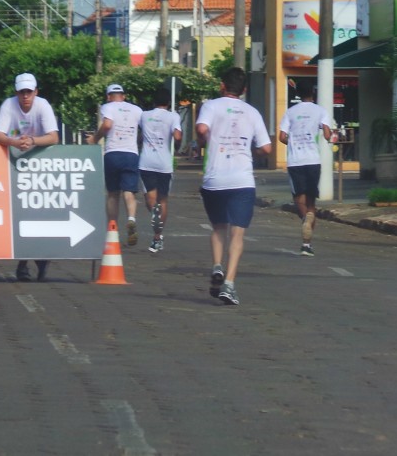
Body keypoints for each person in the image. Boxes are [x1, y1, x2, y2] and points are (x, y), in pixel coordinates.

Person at [195, 67, 272, 306]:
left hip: (215, 179)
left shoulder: (210, 106)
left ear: (221, 86)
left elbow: (201, 128)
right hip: (242, 180)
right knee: (238, 233)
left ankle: (217, 265)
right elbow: (267, 148)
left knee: (218, 227)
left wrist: (204, 140)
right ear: (244, 90)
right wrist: (252, 150)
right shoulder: (252, 112)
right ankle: (229, 283)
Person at [0, 73, 60, 282]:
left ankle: (34, 259)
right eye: (22, 92)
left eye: (29, 92)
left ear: (36, 92)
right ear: (16, 93)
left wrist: (31, 140)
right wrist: (14, 142)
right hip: (15, 164)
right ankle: (26, 261)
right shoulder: (8, 105)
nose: (25, 96)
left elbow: (53, 137)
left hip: (40, 164)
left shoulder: (43, 106)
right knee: (19, 212)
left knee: (39, 213)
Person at [85, 83, 143, 246]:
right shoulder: (136, 110)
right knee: (129, 191)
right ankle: (131, 218)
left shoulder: (107, 107)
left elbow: (108, 124)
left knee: (112, 193)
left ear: (108, 96)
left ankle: (113, 229)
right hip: (131, 154)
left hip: (113, 153)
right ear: (123, 96)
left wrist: (95, 139)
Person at [278, 87, 332, 257]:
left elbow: (281, 136)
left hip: (296, 162)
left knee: (298, 199)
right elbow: (327, 134)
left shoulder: (290, 111)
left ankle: (304, 220)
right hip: (313, 160)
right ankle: (307, 244)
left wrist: (292, 143)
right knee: (311, 202)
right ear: (313, 94)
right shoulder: (321, 111)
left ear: (299, 96)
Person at [138, 87, 182, 253]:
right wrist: (177, 144)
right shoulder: (173, 116)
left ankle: (155, 220)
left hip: (146, 162)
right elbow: (177, 136)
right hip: (164, 164)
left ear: (154, 101)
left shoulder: (144, 115)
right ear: (168, 103)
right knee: (163, 201)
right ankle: (157, 237)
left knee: (151, 200)